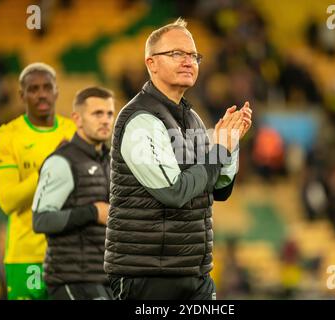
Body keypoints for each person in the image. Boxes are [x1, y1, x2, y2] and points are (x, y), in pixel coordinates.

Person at [104, 18, 252, 300]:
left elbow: (217, 190)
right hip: (147, 277)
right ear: (151, 63)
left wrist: (229, 146)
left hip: (194, 274)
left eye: (193, 55)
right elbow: (174, 191)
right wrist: (217, 151)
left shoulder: (193, 119)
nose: (188, 61)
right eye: (176, 54)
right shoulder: (140, 119)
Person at [0, 63, 76, 299]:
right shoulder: (6, 137)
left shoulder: (74, 132)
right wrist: (50, 168)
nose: (41, 94)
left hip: (72, 256)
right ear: (21, 95)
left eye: (47, 87)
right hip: (27, 256)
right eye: (33, 89)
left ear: (57, 91)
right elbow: (8, 202)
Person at [31, 87, 115, 300]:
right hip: (72, 281)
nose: (105, 120)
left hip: (106, 279)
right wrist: (93, 212)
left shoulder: (112, 161)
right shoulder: (61, 162)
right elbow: (41, 220)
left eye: (109, 114)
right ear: (77, 119)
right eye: (97, 113)